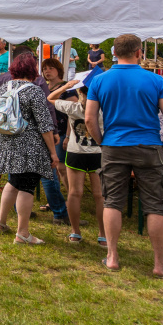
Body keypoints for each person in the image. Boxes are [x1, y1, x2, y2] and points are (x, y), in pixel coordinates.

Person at [85, 34, 163, 277]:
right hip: (148, 145)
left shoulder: (99, 80)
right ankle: (159, 264)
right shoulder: (156, 80)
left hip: (114, 145)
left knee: (112, 201)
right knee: (155, 205)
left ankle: (112, 257)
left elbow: (89, 118)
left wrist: (101, 142)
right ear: (139, 53)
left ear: (114, 53)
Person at [0, 53, 61, 245]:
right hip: (29, 147)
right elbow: (45, 125)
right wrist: (53, 154)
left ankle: (0, 222)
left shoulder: (6, 86)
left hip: (7, 142)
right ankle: (23, 233)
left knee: (13, 181)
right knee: (27, 186)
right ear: (33, 69)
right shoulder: (35, 90)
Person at [48, 79, 107, 246]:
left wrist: (66, 87)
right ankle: (103, 235)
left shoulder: (73, 107)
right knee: (99, 195)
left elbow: (50, 98)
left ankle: (75, 232)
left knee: (75, 193)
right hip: (98, 153)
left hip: (76, 153)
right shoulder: (106, 109)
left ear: (81, 93)